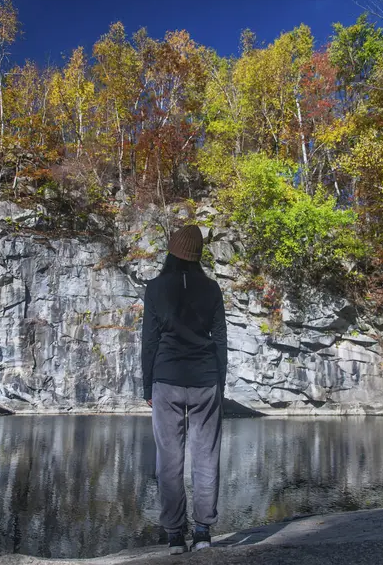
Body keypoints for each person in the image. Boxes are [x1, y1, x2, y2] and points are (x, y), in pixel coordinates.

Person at [141, 224, 227, 555]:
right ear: (198, 256)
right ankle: (203, 532)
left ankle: (176, 536)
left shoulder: (156, 287)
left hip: (167, 379)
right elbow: (220, 339)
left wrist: (147, 384)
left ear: (171, 251)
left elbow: (149, 340)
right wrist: (220, 381)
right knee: (206, 457)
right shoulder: (212, 288)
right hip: (205, 380)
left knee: (169, 460)